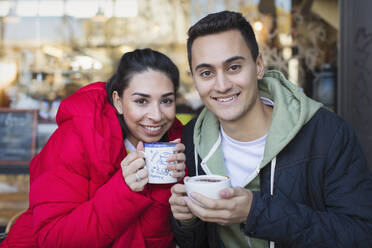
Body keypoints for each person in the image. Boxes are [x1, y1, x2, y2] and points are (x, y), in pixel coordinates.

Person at [169, 10, 372, 248]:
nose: (221, 85)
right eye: (206, 73)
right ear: (194, 80)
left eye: (233, 67)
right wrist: (187, 222)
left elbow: (361, 234)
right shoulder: (191, 139)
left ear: (258, 66)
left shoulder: (327, 134)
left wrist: (256, 212)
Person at [1, 48, 186, 247]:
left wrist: (171, 187)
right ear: (118, 102)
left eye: (166, 100)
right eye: (141, 101)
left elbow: (154, 237)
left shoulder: (178, 143)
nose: (157, 115)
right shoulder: (76, 138)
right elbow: (54, 239)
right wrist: (124, 189)